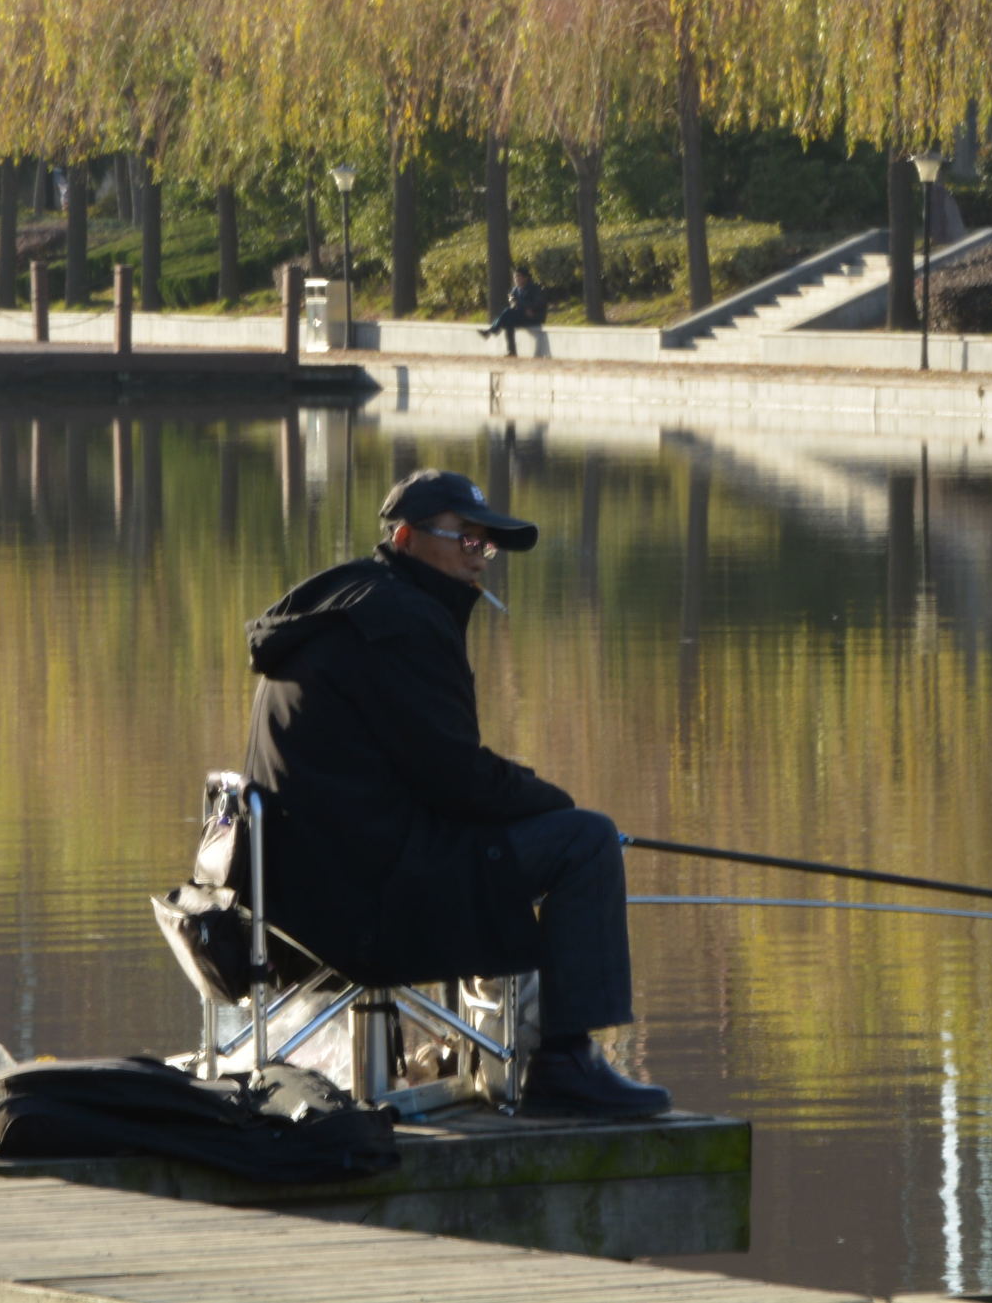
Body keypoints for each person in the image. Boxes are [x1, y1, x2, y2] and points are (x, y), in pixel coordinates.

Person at [240, 468, 670, 1118]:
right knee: (585, 840)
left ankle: (484, 1046)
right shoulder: (406, 623)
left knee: (509, 835)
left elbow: (422, 772)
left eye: (485, 544)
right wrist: (553, 799)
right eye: (465, 539)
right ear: (407, 537)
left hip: (298, 898)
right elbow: (456, 777)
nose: (479, 556)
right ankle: (564, 1063)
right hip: (361, 907)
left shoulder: (351, 599)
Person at [477, 267, 547, 357]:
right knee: (508, 321)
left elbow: (538, 303)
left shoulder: (535, 288)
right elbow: (514, 305)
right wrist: (516, 303)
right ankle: (511, 351)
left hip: (533, 316)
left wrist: (523, 306)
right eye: (515, 277)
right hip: (521, 315)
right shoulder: (515, 290)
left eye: (519, 277)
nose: (516, 279)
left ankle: (491, 331)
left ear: (526, 278)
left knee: (507, 312)